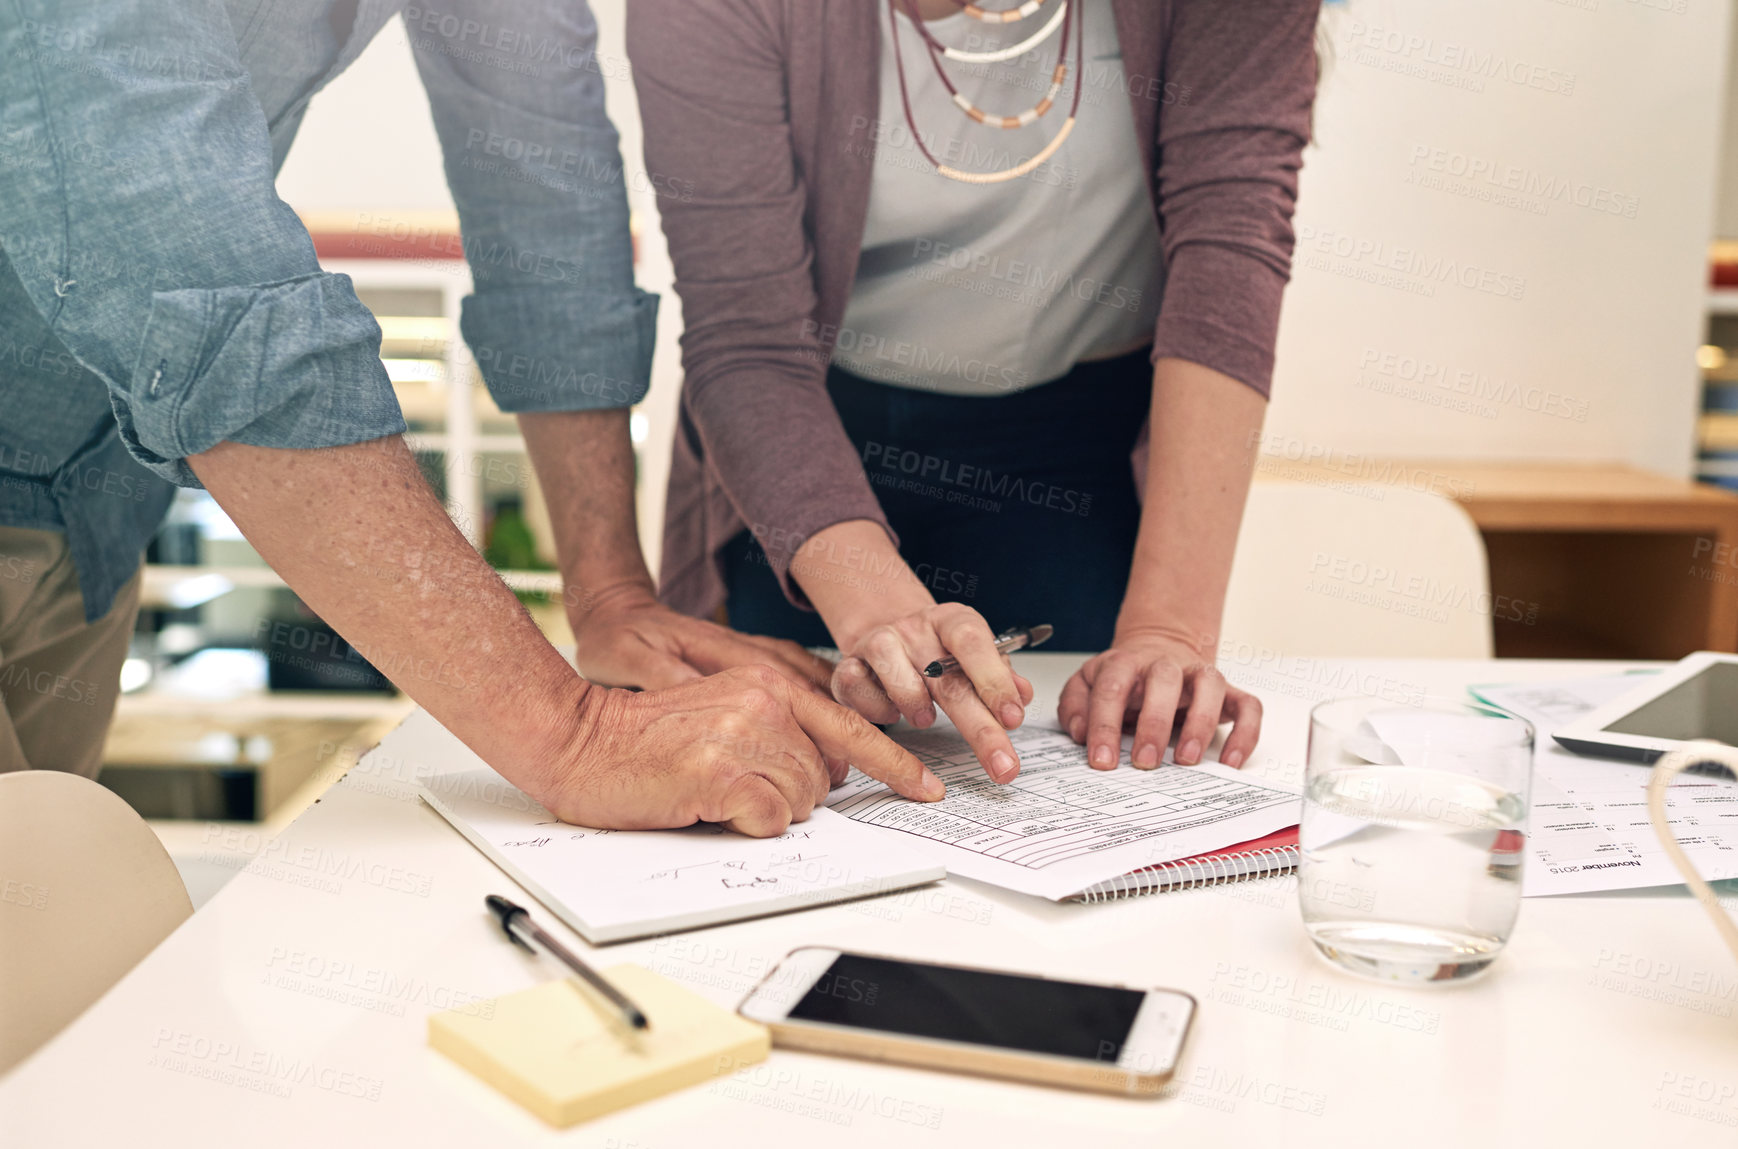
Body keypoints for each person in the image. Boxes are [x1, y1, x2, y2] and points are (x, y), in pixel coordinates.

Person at [0, 0, 943, 836]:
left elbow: (545, 196)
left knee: (37, 961)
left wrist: (610, 594)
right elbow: (189, 263)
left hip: (92, 514)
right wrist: (572, 734)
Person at [628, 0, 1317, 783]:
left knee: (1090, 770)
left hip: (1076, 451)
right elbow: (748, 335)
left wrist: (1170, 629)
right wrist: (873, 601)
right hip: (804, 452)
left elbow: (1231, 248)